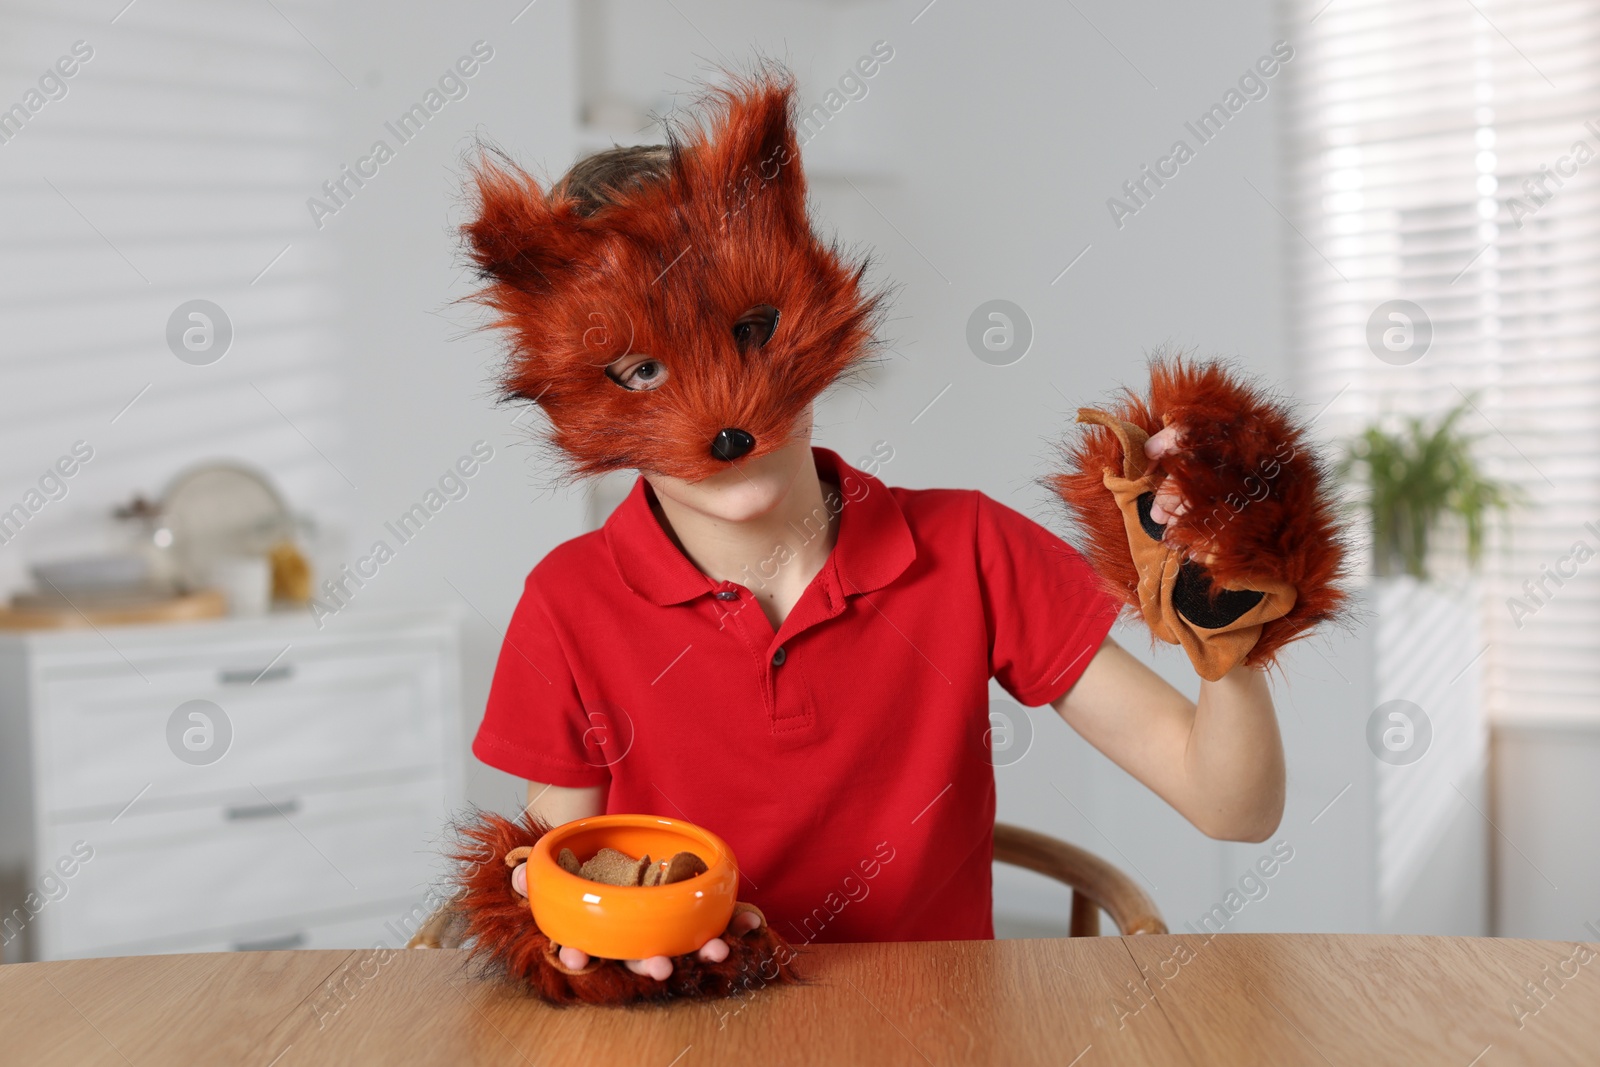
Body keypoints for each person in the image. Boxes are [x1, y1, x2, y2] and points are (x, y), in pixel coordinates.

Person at [463, 72, 1301, 985]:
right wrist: (581, 942)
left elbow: (1234, 809)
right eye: (640, 372)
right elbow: (573, 881)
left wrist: (1233, 631)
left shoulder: (970, 550)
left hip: (939, 1035)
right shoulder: (569, 601)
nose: (721, 417)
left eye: (749, 330)